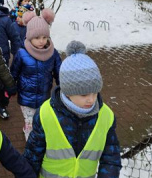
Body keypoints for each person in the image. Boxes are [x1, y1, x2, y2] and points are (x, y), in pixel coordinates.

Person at [23, 40, 122, 177]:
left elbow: (111, 156)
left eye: (95, 92)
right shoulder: (46, 114)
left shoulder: (106, 116)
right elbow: (33, 154)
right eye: (84, 94)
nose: (91, 99)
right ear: (68, 91)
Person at [10, 9, 62, 140]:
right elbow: (14, 72)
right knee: (30, 123)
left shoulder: (52, 53)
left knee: (41, 120)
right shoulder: (22, 53)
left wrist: (63, 87)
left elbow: (59, 72)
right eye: (37, 38)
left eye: (45, 37)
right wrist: (9, 88)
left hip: (44, 96)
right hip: (26, 97)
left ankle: (37, 135)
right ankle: (30, 141)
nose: (41, 41)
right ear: (29, 37)